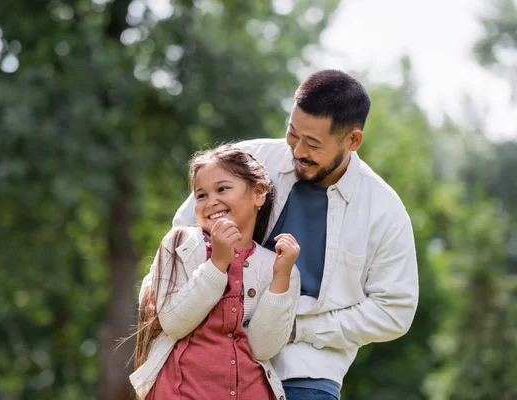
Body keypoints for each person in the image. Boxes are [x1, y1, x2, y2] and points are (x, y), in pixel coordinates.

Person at [170, 70, 419, 400]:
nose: (298, 150)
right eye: (292, 134)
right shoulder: (249, 161)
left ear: (353, 141)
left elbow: (395, 310)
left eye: (313, 144)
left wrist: (302, 329)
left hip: (306, 370)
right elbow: (183, 231)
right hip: (213, 352)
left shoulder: (384, 211)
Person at [130, 145, 301, 400]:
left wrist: (280, 279)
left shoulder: (278, 267)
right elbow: (174, 324)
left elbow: (263, 348)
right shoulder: (181, 244)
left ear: (258, 193)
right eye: (201, 195)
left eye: (222, 189)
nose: (211, 202)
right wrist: (217, 263)